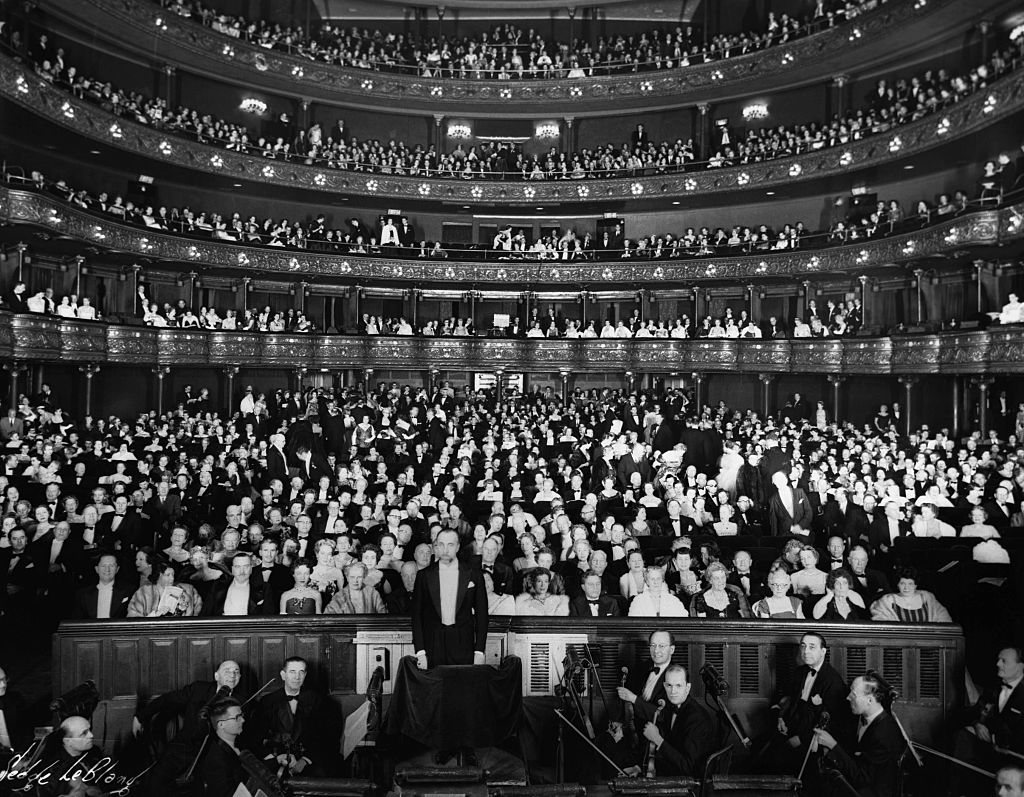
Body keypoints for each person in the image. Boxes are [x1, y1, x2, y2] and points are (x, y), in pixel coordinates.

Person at [759, 632, 850, 774]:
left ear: (823, 651)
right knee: (760, 749)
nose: (806, 651)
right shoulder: (799, 672)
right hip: (790, 728)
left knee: (777, 762)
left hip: (811, 739)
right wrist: (780, 718)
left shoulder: (833, 681)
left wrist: (801, 739)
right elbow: (784, 697)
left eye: (812, 647)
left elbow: (834, 723)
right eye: (803, 646)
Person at [812, 672, 906, 797]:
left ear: (870, 700)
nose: (848, 697)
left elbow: (861, 778)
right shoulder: (860, 717)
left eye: (853, 694)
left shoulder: (883, 733)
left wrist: (832, 745)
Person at [949, 648, 1024, 796]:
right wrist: (977, 724)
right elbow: (974, 712)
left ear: (1020, 667)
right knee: (961, 738)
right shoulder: (994, 687)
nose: (998, 664)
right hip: (990, 748)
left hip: (1014, 755)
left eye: (1004, 661)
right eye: (998, 659)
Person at [411, 529, 488, 669]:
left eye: (450, 545)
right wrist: (420, 651)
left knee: (462, 688)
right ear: (436, 547)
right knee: (434, 689)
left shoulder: (474, 574)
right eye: (441, 544)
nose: (445, 549)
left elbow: (482, 615)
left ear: (458, 546)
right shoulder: (424, 575)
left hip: (464, 644)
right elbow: (416, 616)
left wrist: (479, 651)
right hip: (432, 645)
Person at [631, 664, 715, 777]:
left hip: (692, 782)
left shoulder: (698, 718)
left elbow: (688, 767)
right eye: (669, 685)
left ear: (688, 687)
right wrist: (639, 768)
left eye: (679, 685)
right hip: (671, 772)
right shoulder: (669, 708)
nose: (673, 691)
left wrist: (657, 739)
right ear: (664, 686)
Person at [254, 657, 328, 776]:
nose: (297, 677)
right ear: (283, 675)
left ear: (305, 675)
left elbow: (323, 737)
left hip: (306, 760)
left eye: (301, 672)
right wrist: (275, 758)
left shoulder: (317, 700)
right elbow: (256, 736)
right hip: (277, 758)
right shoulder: (267, 701)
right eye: (292, 672)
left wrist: (305, 760)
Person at [197, 697, 248, 797]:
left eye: (241, 715)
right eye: (237, 717)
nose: (243, 720)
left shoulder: (239, 744)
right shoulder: (215, 759)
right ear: (221, 724)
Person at [869, 566, 951, 623]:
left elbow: (945, 622)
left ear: (916, 585)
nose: (906, 588)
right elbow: (880, 622)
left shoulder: (928, 598)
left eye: (910, 584)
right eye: (902, 583)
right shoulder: (887, 601)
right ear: (897, 584)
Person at [127, 560, 203, 617]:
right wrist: (155, 615)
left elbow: (198, 616)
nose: (172, 578)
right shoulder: (143, 593)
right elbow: (133, 620)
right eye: (168, 575)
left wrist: (187, 605)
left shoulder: (188, 589)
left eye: (173, 574)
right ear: (158, 576)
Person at [73, 554, 132, 619]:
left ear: (117, 569)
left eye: (111, 566)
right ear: (97, 569)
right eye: (103, 566)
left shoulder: (129, 590)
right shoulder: (82, 594)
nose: (107, 569)